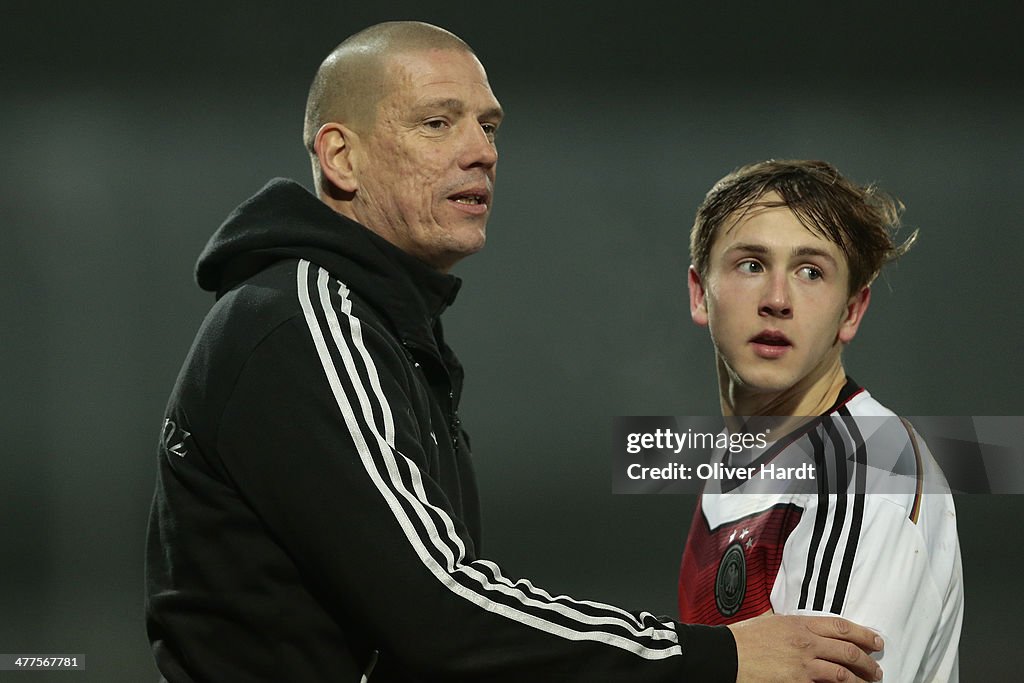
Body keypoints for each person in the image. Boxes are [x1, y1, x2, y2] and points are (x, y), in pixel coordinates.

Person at [145, 23, 884, 682]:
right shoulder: (308, 322)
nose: (482, 151)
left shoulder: (376, 324)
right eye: (439, 122)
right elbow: (441, 611)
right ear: (341, 155)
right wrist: (715, 658)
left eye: (489, 126)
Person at [677, 160, 964, 682]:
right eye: (751, 265)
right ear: (701, 293)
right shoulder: (742, 455)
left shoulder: (867, 471)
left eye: (811, 272)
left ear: (851, 312)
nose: (777, 300)